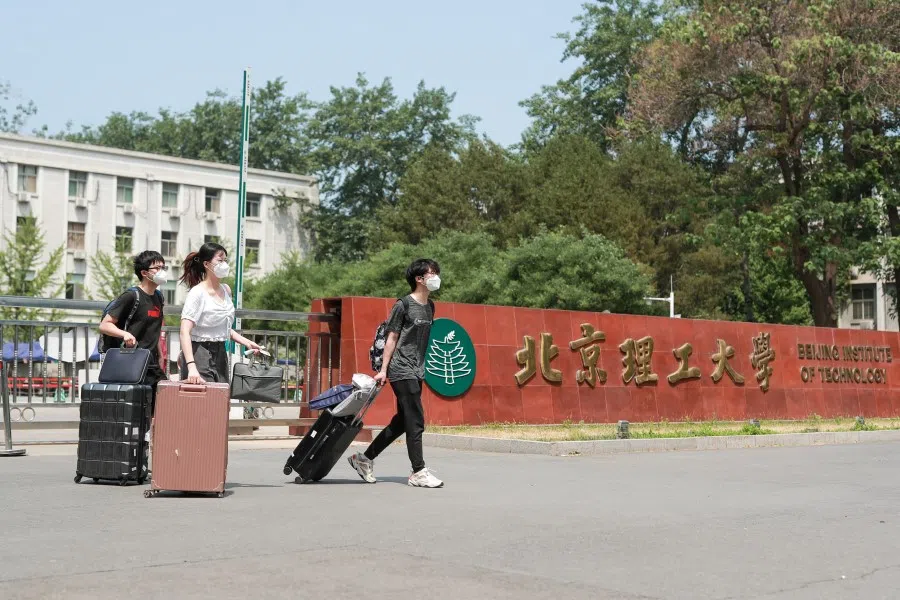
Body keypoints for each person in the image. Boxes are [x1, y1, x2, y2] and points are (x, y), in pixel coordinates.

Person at [348, 258, 444, 488]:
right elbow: (391, 338)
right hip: (401, 369)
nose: (436, 277)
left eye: (436, 272)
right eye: (431, 273)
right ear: (418, 279)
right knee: (416, 420)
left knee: (402, 421)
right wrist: (383, 370)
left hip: (417, 369)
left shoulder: (430, 306)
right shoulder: (403, 305)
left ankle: (364, 459)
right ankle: (418, 471)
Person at [178, 242, 260, 383]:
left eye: (225, 260)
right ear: (206, 264)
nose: (224, 264)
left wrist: (247, 342)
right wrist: (191, 366)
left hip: (221, 352)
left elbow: (223, 328)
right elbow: (184, 331)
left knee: (220, 399)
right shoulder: (197, 293)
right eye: (220, 260)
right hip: (199, 352)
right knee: (203, 401)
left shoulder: (226, 290)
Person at [98, 250, 168, 413]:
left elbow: (154, 328)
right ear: (144, 273)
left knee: (162, 405)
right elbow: (105, 325)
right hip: (131, 362)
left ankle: (150, 438)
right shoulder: (131, 296)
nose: (162, 271)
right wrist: (125, 334)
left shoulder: (158, 297)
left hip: (151, 362)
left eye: (164, 267)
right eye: (157, 268)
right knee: (134, 411)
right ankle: (139, 438)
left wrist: (161, 354)